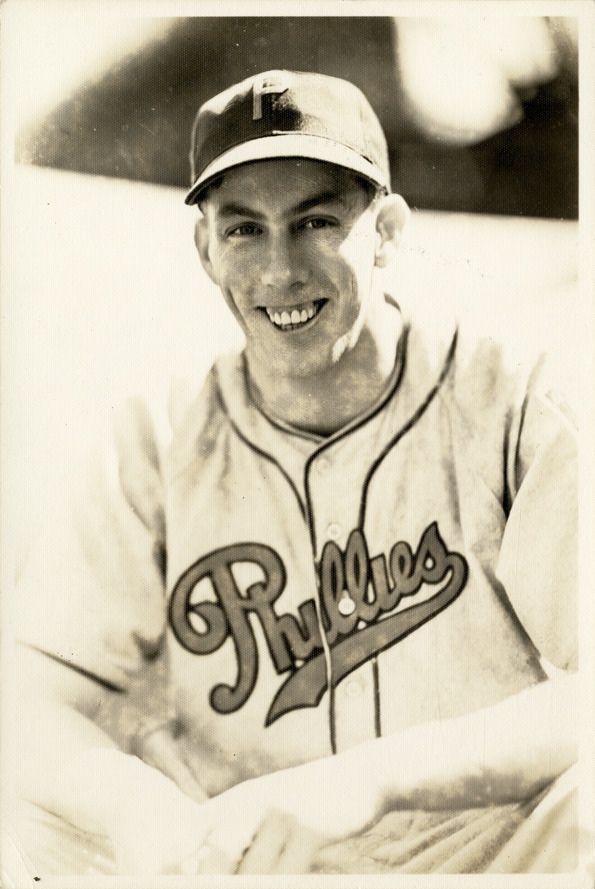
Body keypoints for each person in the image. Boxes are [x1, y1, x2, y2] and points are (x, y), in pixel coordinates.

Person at [7, 69, 579, 877]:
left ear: (386, 231)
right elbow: (31, 697)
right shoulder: (156, 436)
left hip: (493, 853)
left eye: (315, 222)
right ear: (206, 249)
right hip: (254, 864)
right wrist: (137, 812)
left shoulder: (509, 396)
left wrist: (369, 780)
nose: (279, 269)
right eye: (244, 229)